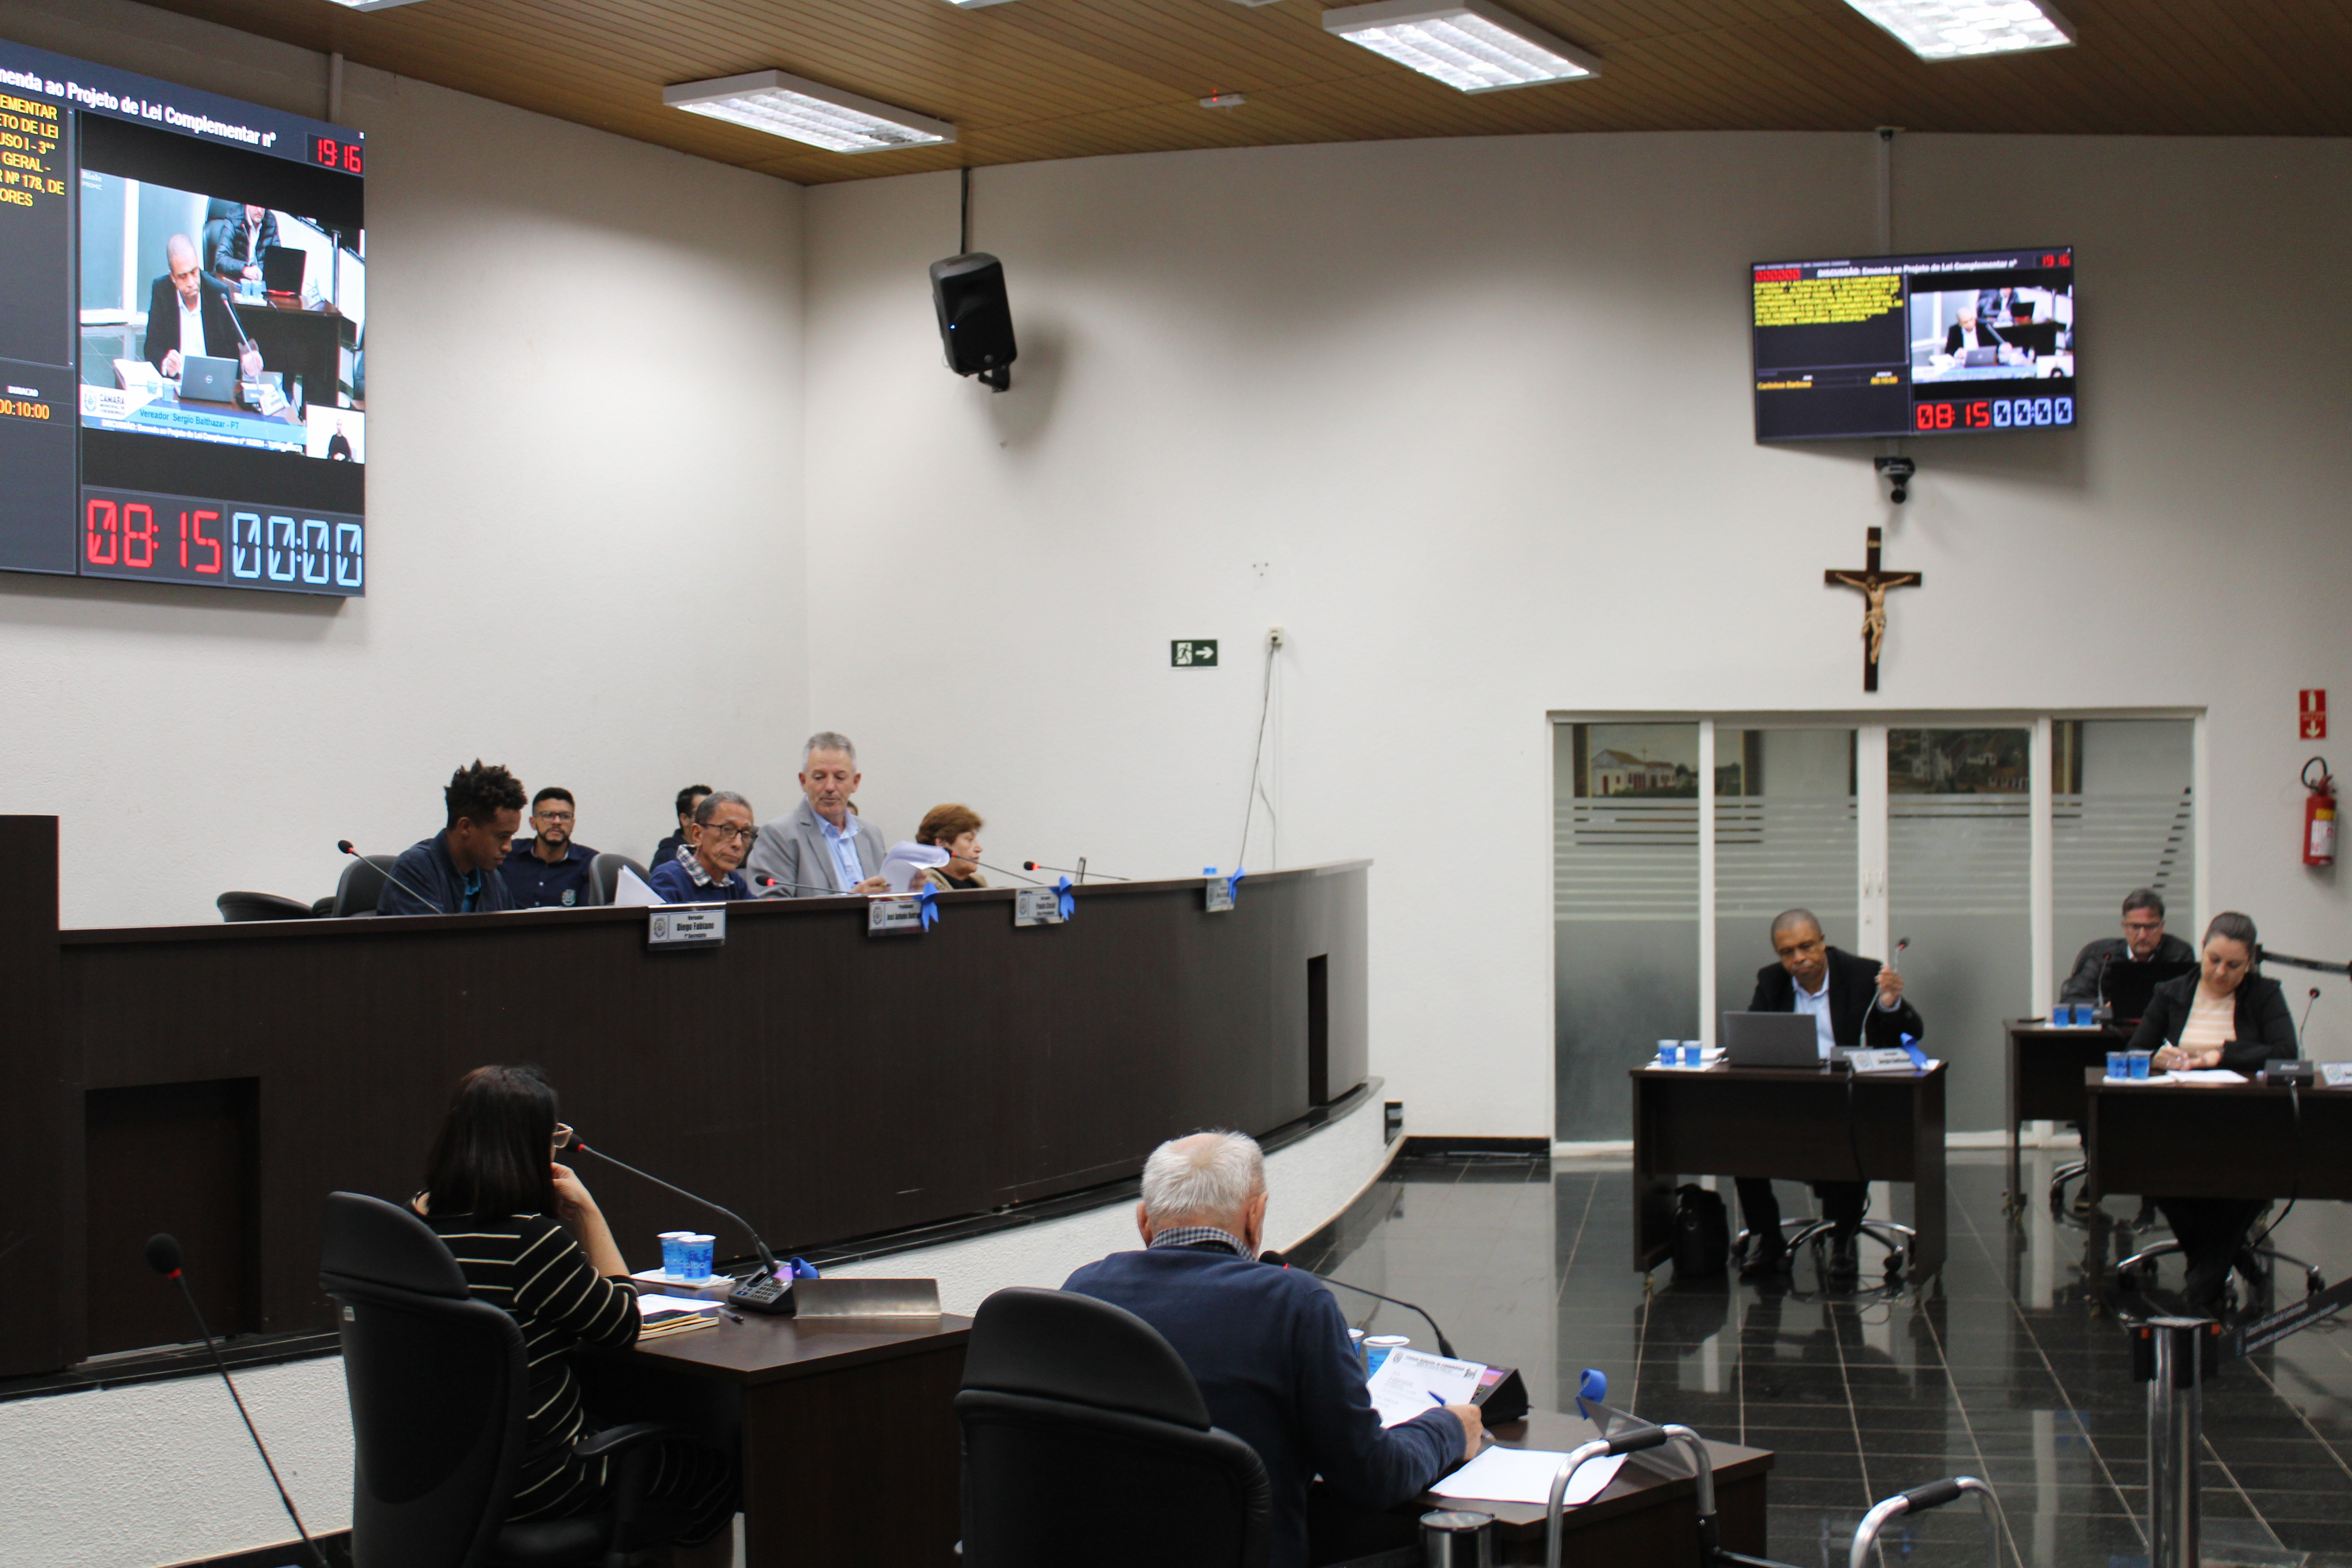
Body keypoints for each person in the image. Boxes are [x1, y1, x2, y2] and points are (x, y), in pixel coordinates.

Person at [1063, 1132, 1478, 1568]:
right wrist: (1447, 1429)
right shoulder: (1293, 1304)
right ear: (1255, 1214)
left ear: (1144, 1220)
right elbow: (1373, 1477)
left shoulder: (1084, 1292)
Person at [413, 1065, 736, 1566]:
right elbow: (623, 1323)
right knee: (711, 1473)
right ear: (527, 1148)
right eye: (552, 1139)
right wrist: (588, 1211)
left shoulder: (413, 1226)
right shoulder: (530, 1241)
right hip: (537, 1478)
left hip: (442, 1474)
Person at [1732, 909, 1924, 1286]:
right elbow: (1754, 1036)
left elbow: (1910, 1036)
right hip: (1792, 1098)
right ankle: (1769, 1239)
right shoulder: (1771, 981)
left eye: (1807, 947)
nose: (1799, 958)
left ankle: (1844, 1241)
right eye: (1788, 952)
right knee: (1744, 1137)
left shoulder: (1862, 974)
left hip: (1849, 1097)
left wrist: (1889, 1004)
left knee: (1849, 1126)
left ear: (1823, 942)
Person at [2131, 911, 2299, 1309]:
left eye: (2234, 965)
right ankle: (2231, 1258)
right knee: (2154, 1168)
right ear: (2203, 950)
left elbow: (2286, 1053)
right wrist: (2157, 1058)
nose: (2221, 972)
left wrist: (2221, 1055)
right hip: (2177, 1119)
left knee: (2252, 1176)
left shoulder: (2264, 994)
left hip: (2247, 1122)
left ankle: (2203, 1285)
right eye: (2214, 960)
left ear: (2250, 964)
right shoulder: (2171, 991)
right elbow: (2135, 1050)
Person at [745, 733, 887, 897]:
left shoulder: (871, 834)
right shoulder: (779, 835)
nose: (830, 787)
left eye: (840, 778)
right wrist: (852, 901)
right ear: (804, 781)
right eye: (820, 778)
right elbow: (770, 907)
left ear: (855, 782)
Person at [379, 760, 526, 916]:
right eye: (502, 837)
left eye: (512, 836)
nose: (508, 847)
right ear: (466, 827)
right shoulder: (414, 869)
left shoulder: (491, 878)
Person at [145, 234, 263, 384]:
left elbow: (239, 346)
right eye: (183, 277)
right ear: (173, 278)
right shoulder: (162, 291)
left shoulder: (218, 294)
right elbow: (152, 346)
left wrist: (248, 364)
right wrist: (166, 363)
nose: (191, 283)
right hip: (177, 382)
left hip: (212, 382)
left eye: (194, 272)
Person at [2058, 887, 2196, 1004]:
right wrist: (2106, 1009)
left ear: (2162, 927)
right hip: (2112, 1029)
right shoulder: (2104, 957)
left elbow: (2189, 1003)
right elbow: (2071, 1001)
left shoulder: (2179, 955)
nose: (2143, 936)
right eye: (2135, 927)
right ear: (2124, 927)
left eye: (2150, 927)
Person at [648, 791, 759, 902]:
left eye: (746, 834)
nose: (738, 844)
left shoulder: (732, 879)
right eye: (727, 830)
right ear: (698, 834)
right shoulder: (668, 879)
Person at [501, 787, 599, 908]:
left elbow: (588, 915)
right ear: (533, 823)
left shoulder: (590, 863)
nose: (557, 822)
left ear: (573, 824)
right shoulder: (508, 854)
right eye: (548, 815)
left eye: (565, 816)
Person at [915, 804, 987, 890]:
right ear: (942, 843)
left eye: (976, 841)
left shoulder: (980, 885)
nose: (979, 849)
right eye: (970, 839)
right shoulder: (921, 890)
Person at [207, 202, 279, 286]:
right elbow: (221, 260)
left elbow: (276, 262)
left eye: (263, 207)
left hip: (258, 284)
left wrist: (259, 270)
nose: (260, 210)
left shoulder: (271, 221)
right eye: (256, 205)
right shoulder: (234, 218)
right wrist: (244, 270)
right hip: (234, 280)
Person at [653, 784, 713, 870]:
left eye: (714, 813)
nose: (712, 819)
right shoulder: (669, 856)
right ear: (685, 819)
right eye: (704, 812)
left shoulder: (719, 852)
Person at [1941, 303, 2006, 357]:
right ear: (1960, 323)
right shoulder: (1954, 331)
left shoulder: (1984, 327)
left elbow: (1995, 345)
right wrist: (1957, 354)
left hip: (1983, 360)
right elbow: (1948, 351)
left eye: (1971, 320)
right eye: (1966, 322)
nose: (1970, 324)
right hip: (1964, 362)